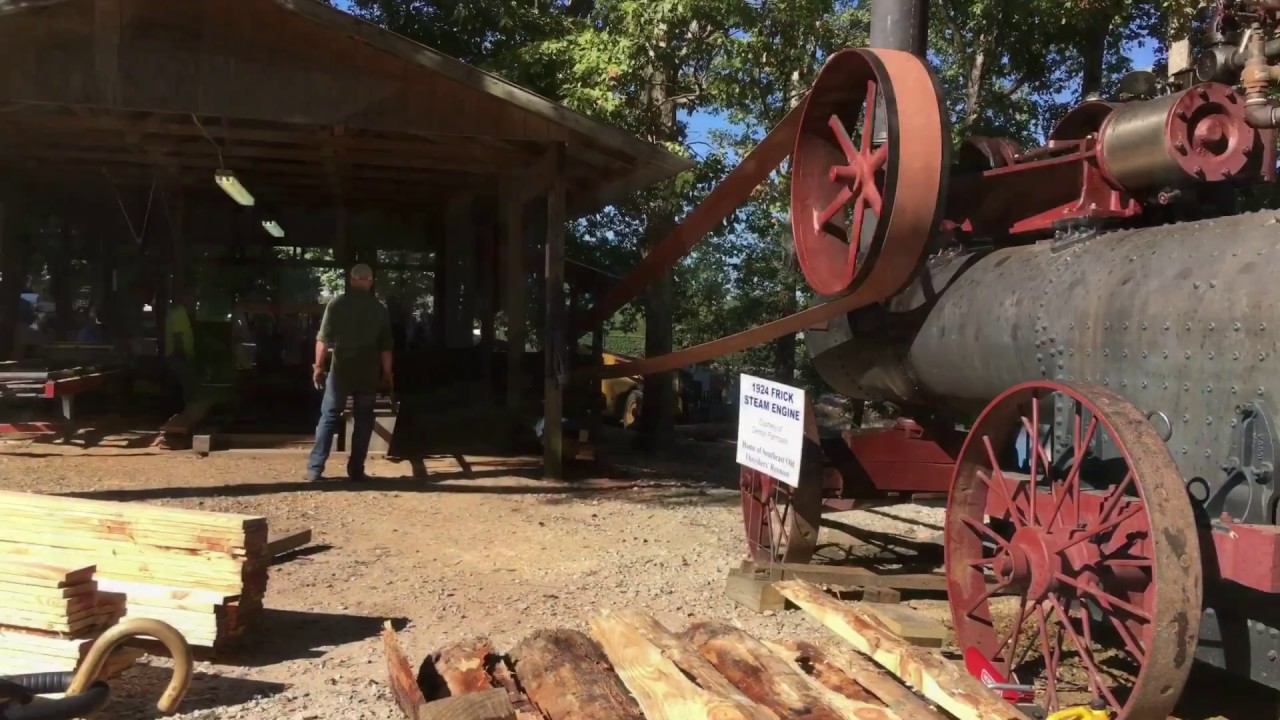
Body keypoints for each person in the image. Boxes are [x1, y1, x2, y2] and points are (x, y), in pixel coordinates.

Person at [306, 264, 393, 483]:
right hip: (368, 373)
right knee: (364, 419)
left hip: (341, 372)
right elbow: (385, 348)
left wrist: (318, 367)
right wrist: (387, 374)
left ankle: (315, 469)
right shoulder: (379, 309)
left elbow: (323, 340)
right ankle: (356, 471)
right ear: (370, 281)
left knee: (329, 416)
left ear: (351, 280)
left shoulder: (337, 304)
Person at [164, 291, 198, 414]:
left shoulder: (179, 312)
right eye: (193, 299)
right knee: (181, 386)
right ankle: (181, 413)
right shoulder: (179, 313)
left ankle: (178, 412)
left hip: (176, 355)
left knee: (178, 386)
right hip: (177, 356)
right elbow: (178, 336)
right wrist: (182, 356)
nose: (194, 303)